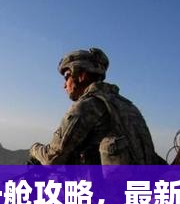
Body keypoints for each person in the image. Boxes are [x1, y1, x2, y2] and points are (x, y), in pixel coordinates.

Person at [29, 47, 158, 165]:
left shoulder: (87, 106)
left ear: (81, 75)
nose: (64, 85)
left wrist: (34, 149)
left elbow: (53, 158)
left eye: (67, 77)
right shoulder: (128, 106)